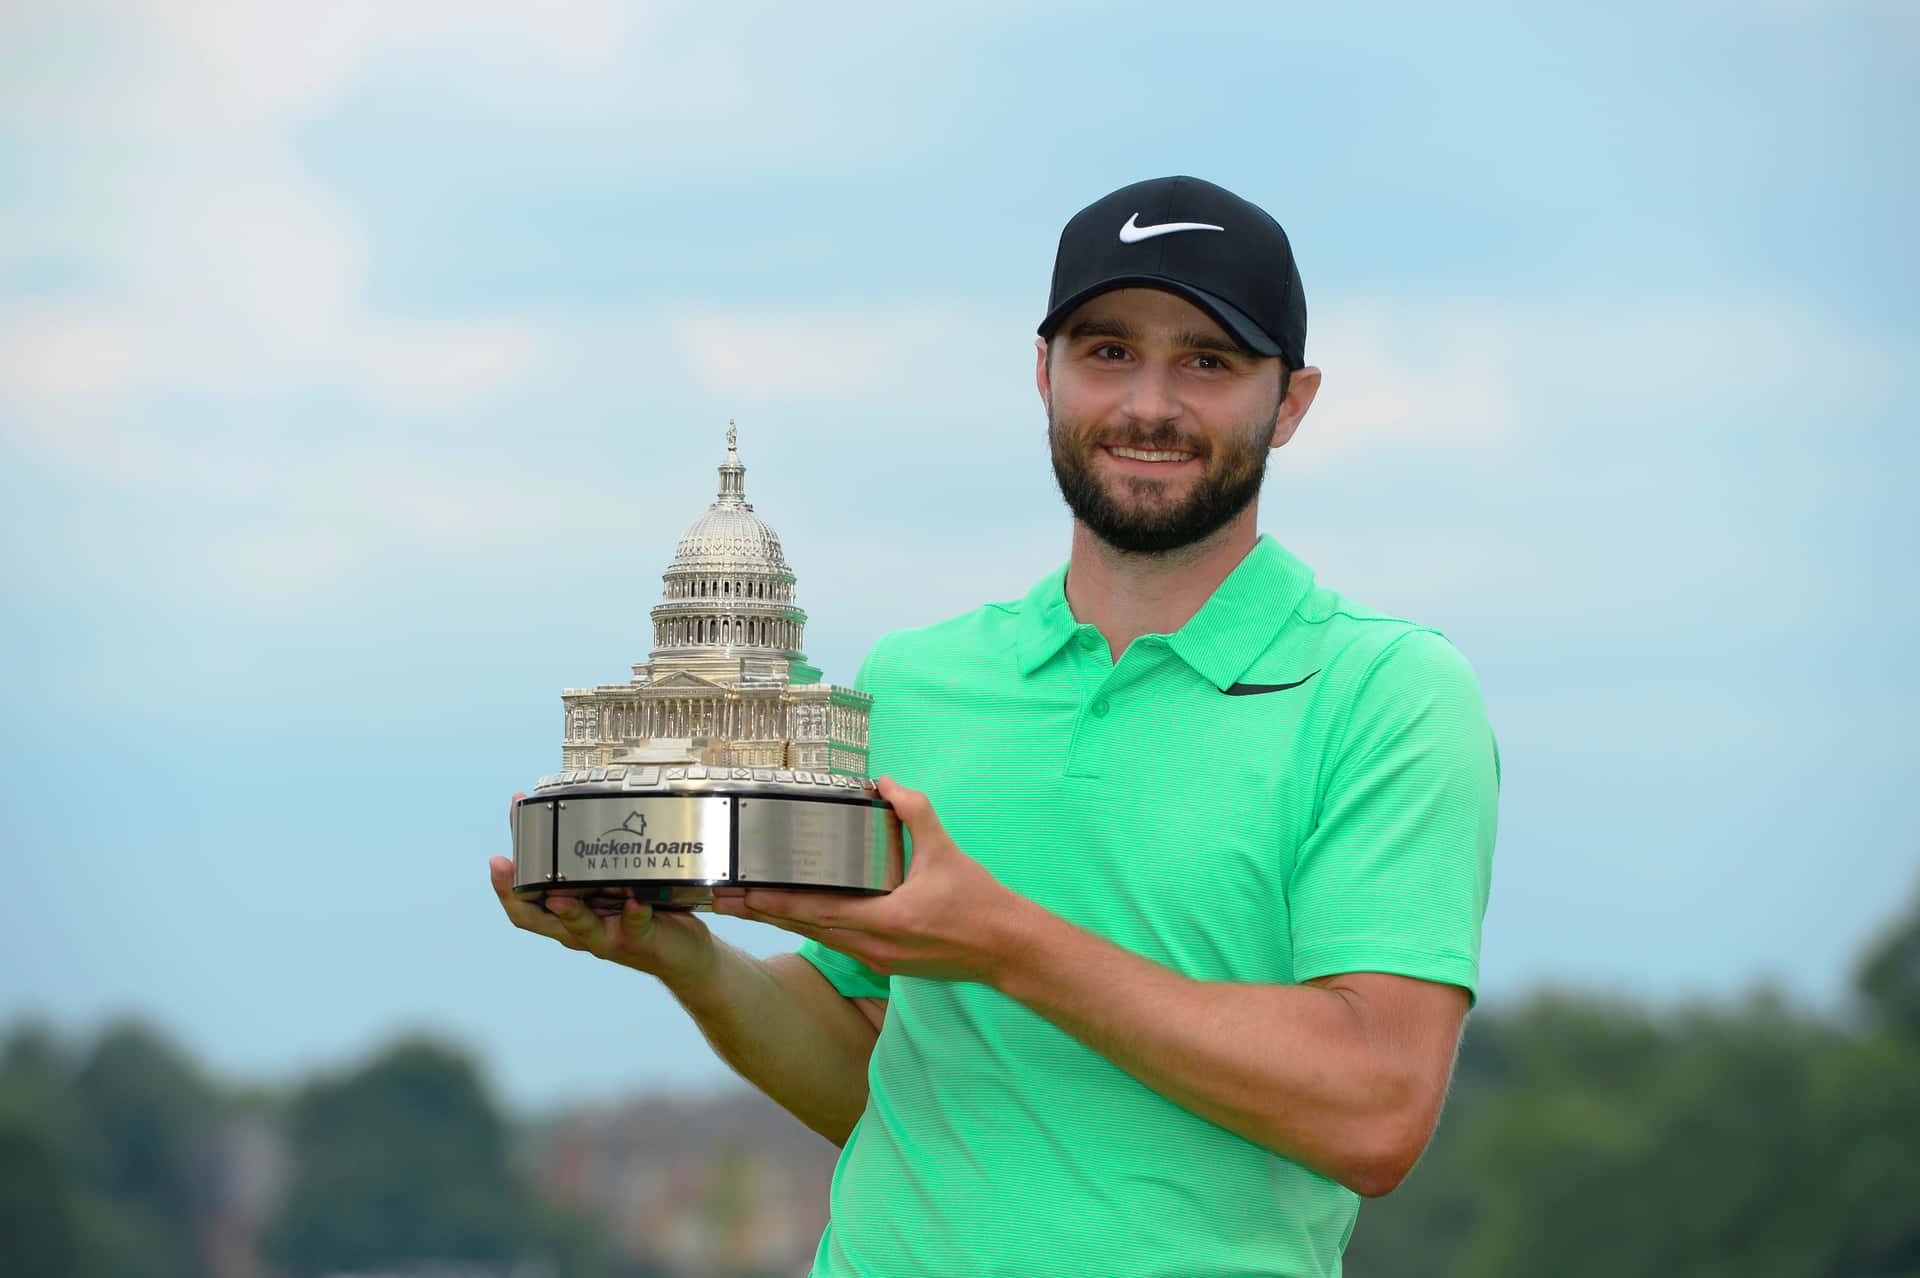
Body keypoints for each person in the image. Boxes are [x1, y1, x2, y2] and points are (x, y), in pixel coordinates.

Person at [490, 175, 1498, 1277]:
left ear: (1291, 401)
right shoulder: (917, 680)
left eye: (1206, 361)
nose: (1148, 405)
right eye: (1106, 351)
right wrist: (683, 957)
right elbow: (887, 1074)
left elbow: (1375, 1114)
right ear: (1043, 373)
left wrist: (1008, 943)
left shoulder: (1386, 691)